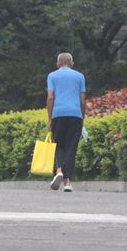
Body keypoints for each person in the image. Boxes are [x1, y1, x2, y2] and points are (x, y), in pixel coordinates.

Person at [46, 52, 86, 192]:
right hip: (75, 115)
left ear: (58, 64)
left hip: (58, 114)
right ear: (72, 63)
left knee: (58, 145)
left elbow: (50, 97)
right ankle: (68, 183)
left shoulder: (52, 76)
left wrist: (49, 118)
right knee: (71, 148)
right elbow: (82, 100)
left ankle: (58, 171)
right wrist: (82, 116)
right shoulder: (80, 76)